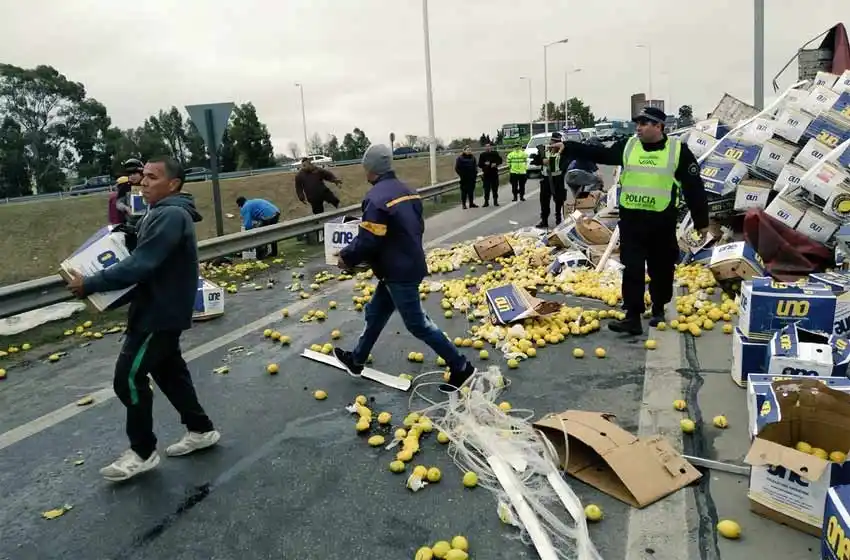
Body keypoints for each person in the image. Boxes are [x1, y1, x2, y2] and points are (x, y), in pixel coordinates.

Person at [63, 156, 219, 482]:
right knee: (169, 373)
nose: (143, 182)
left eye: (152, 177)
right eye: (143, 176)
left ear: (173, 184)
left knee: (128, 379)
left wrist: (90, 282)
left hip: (158, 313)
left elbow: (141, 265)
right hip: (160, 309)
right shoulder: (161, 213)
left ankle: (142, 451)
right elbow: (146, 252)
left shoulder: (171, 215)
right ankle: (201, 429)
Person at [333, 144, 475, 392]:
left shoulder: (376, 198)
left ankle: (461, 367)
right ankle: (356, 360)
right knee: (375, 314)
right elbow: (413, 227)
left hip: (398, 272)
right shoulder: (409, 191)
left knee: (417, 323)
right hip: (404, 264)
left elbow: (369, 238)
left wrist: (347, 257)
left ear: (371, 169)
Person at [556, 106, 709, 334]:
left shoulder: (678, 151)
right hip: (632, 221)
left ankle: (658, 307)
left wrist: (701, 222)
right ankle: (633, 316)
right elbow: (601, 154)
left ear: (659, 126)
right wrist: (568, 147)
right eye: (638, 123)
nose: (638, 128)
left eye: (644, 123)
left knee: (662, 267)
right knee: (633, 268)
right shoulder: (628, 147)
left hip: (661, 221)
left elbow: (694, 188)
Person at [530, 132, 569, 228]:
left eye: (557, 142)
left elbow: (566, 163)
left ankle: (559, 219)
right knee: (544, 201)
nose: (554, 144)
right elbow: (534, 160)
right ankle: (544, 220)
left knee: (559, 200)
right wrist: (542, 161)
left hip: (558, 179)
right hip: (546, 179)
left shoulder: (564, 151)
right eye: (553, 141)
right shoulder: (544, 150)